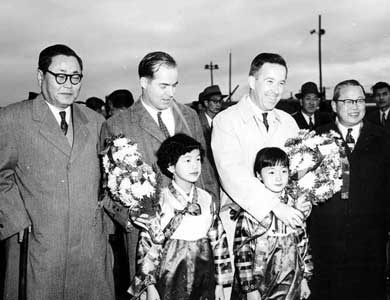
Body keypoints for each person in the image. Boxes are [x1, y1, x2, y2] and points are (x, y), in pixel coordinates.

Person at [0, 44, 114, 299]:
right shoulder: (12, 119)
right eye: (60, 76)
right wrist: (17, 219)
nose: (68, 84)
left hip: (89, 250)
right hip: (37, 245)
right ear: (41, 76)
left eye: (75, 77)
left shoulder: (95, 122)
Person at [101, 51, 219, 286]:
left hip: (197, 235)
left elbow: (205, 171)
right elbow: (106, 189)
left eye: (174, 85)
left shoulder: (189, 115)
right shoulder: (116, 125)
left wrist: (212, 208)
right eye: (163, 86)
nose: (171, 93)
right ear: (144, 82)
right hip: (148, 239)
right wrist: (130, 218)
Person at [211, 52, 303, 298]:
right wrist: (275, 206)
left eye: (281, 83)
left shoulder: (289, 123)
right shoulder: (225, 121)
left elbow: (297, 173)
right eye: (269, 81)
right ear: (252, 82)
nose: (276, 90)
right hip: (244, 232)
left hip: (284, 234)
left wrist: (301, 202)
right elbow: (233, 175)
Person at [310, 79, 389, 300]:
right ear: (334, 105)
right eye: (348, 101)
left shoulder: (383, 138)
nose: (355, 106)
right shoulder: (315, 139)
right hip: (327, 242)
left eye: (360, 100)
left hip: (370, 243)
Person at [129, 133, 232, 300]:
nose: (195, 166)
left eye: (198, 159)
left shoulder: (207, 199)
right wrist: (150, 286)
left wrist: (221, 284)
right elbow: (147, 246)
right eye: (188, 160)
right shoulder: (159, 200)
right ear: (170, 166)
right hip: (169, 273)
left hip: (204, 274)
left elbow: (219, 242)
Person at [233, 147, 312, 300]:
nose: (278, 178)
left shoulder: (294, 206)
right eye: (271, 172)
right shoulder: (252, 211)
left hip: (291, 283)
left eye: (283, 171)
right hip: (260, 283)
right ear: (259, 176)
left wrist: (304, 279)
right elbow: (242, 251)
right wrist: (249, 289)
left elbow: (303, 245)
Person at [198, 85, 226, 170]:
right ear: (206, 103)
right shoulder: (197, 122)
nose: (218, 105)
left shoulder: (225, 121)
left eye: (220, 101)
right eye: (215, 101)